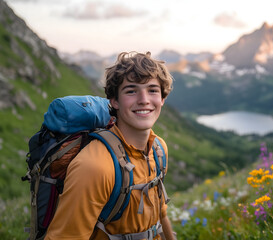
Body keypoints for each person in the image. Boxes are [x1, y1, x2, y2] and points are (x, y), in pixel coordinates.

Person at [45, 52, 175, 240]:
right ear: (114, 101)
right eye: (131, 90)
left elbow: (160, 213)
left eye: (153, 90)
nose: (144, 99)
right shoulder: (95, 166)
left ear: (162, 98)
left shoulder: (158, 149)